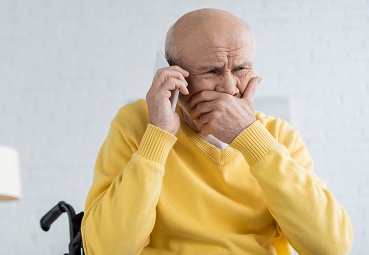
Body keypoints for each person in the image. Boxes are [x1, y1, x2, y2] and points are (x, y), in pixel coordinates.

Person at [81, 8, 353, 254]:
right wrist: (158, 136)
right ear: (174, 75)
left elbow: (331, 247)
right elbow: (108, 249)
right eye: (211, 71)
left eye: (241, 68)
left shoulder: (279, 135)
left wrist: (251, 137)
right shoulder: (137, 124)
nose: (230, 87)